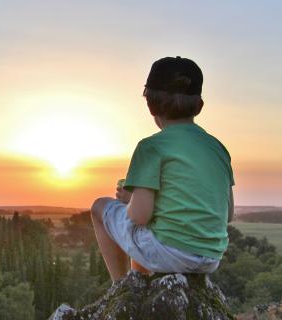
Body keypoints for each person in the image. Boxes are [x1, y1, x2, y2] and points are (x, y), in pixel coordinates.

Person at [90, 56, 235, 282]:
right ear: (199, 105)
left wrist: (130, 198)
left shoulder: (151, 147)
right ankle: (141, 279)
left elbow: (139, 216)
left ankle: (121, 287)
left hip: (170, 253)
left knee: (100, 207)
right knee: (148, 232)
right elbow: (229, 213)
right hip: (210, 257)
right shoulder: (218, 148)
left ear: (150, 104)